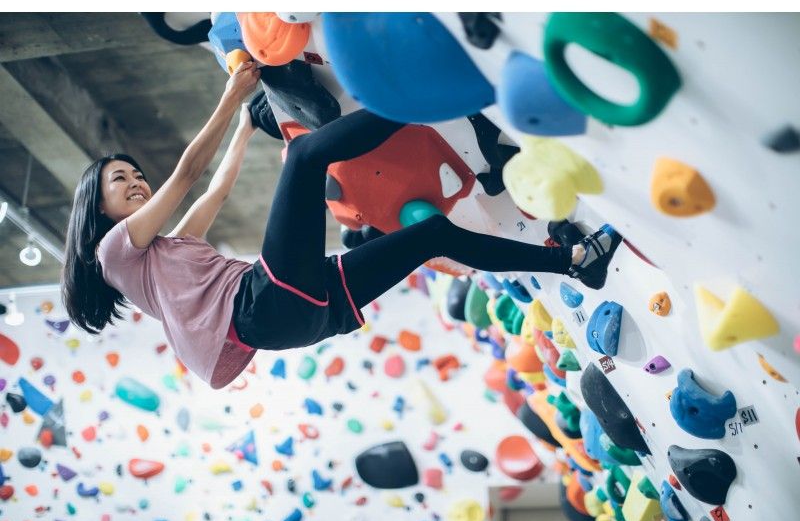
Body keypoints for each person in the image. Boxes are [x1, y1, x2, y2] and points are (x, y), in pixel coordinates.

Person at [61, 61, 623, 390]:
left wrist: (245, 128)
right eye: (121, 180)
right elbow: (185, 175)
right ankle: (419, 97)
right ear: (96, 207)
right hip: (262, 306)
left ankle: (575, 263)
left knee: (432, 236)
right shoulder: (113, 251)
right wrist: (233, 95)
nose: (136, 182)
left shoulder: (166, 256)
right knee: (306, 159)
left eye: (135, 173)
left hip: (295, 319)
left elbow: (215, 191)